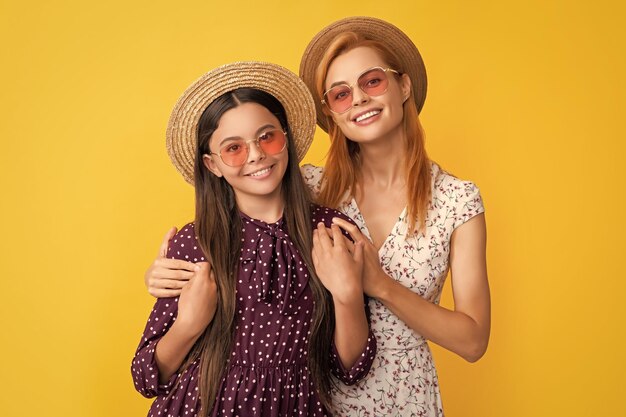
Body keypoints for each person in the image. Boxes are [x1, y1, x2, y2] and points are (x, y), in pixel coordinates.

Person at [131, 61, 376, 417]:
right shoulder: (195, 242)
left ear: (286, 139)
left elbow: (351, 369)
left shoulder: (330, 231)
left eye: (267, 136)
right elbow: (147, 377)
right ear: (212, 165)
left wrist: (348, 294)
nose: (257, 155)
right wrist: (187, 325)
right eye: (234, 148)